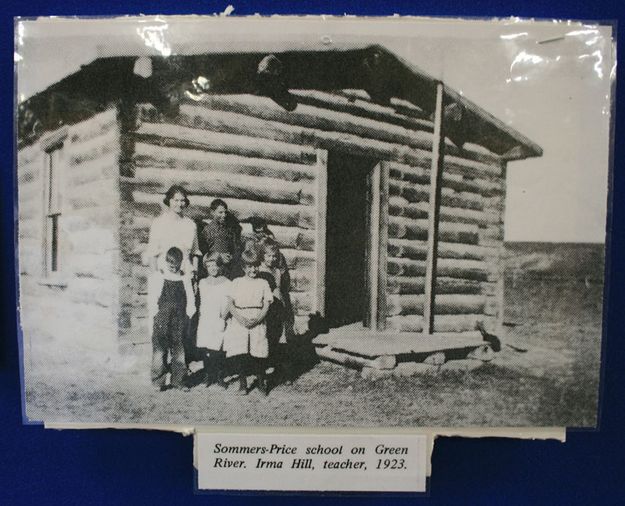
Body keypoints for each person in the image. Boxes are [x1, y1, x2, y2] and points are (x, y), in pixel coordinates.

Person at [145, 185, 201, 367]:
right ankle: (159, 373)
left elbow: (194, 253)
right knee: (161, 328)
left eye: (183, 200)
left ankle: (179, 375)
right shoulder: (159, 223)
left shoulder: (190, 225)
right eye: (176, 199)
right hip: (164, 279)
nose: (180, 203)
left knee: (181, 329)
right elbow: (152, 252)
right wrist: (155, 279)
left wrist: (194, 278)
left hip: (183, 280)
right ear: (168, 201)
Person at [224, 247, 273, 395]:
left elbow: (267, 303)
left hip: (257, 318)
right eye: (250, 266)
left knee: (258, 352)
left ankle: (260, 382)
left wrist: (258, 319)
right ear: (244, 268)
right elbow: (230, 304)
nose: (253, 269)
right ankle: (243, 384)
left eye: (256, 266)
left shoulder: (263, 283)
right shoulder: (237, 282)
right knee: (241, 353)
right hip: (240, 319)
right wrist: (240, 319)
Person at [148, 247, 196, 391]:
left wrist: (189, 314)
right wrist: (156, 314)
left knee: (179, 349)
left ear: (181, 263)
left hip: (179, 318)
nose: (173, 267)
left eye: (176, 265)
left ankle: (178, 380)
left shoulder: (184, 278)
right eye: (170, 264)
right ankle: (158, 381)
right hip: (162, 317)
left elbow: (191, 299)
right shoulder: (159, 277)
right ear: (166, 262)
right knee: (159, 349)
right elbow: (153, 298)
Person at [258, 240, 294, 385]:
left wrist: (285, 308)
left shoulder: (278, 271)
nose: (271, 259)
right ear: (262, 256)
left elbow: (282, 289)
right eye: (268, 256)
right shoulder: (259, 270)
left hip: (278, 307)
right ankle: (264, 369)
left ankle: (282, 372)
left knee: (280, 338)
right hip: (266, 308)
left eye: (274, 256)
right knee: (266, 337)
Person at [196, 253, 231, 389]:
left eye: (215, 265)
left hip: (220, 318)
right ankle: (208, 375)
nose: (212, 268)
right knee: (206, 349)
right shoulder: (203, 283)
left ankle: (219, 376)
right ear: (205, 267)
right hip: (206, 319)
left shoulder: (227, 282)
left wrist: (224, 317)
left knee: (218, 349)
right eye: (209, 265)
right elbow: (202, 302)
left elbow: (229, 302)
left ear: (220, 265)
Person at [199, 199, 241, 279]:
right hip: (213, 268)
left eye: (225, 212)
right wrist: (218, 256)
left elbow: (234, 248)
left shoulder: (229, 230)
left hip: (227, 268)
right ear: (212, 212)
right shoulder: (207, 230)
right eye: (220, 212)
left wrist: (231, 257)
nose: (224, 215)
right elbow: (204, 252)